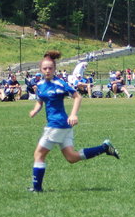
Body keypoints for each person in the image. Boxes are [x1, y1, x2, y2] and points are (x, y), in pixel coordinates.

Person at [28, 50, 120, 192]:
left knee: (39, 154)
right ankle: (104, 148)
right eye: (45, 68)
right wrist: (35, 110)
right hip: (63, 126)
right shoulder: (40, 85)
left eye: (50, 68)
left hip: (57, 124)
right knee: (72, 157)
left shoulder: (60, 84)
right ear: (40, 69)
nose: (47, 71)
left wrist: (73, 115)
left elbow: (77, 97)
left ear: (54, 69)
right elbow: (40, 100)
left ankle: (37, 189)